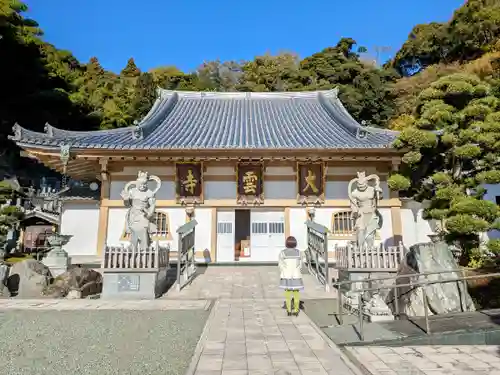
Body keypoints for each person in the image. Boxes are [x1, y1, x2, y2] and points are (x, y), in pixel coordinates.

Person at [278, 236, 304, 316]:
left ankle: (289, 310)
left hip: (286, 276)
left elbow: (280, 265)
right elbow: (300, 265)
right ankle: (296, 310)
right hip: (296, 276)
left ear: (286, 243)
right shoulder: (299, 253)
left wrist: (283, 271)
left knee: (288, 294)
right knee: (296, 294)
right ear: (295, 243)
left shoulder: (282, 253)